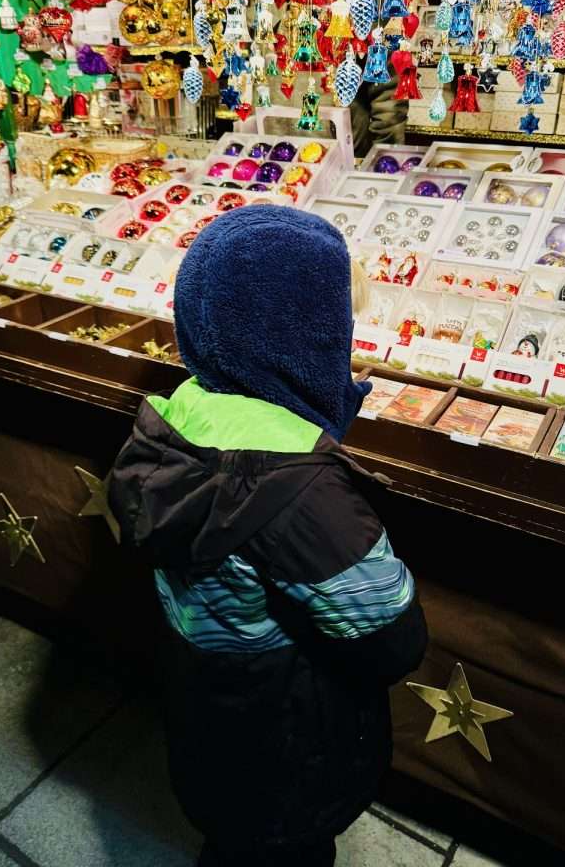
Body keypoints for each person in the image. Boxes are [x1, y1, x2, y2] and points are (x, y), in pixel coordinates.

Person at [108, 206, 428, 867]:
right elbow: (395, 640)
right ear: (301, 342)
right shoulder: (302, 492)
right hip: (291, 754)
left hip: (208, 715)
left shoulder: (176, 422)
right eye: (339, 332)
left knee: (231, 846)